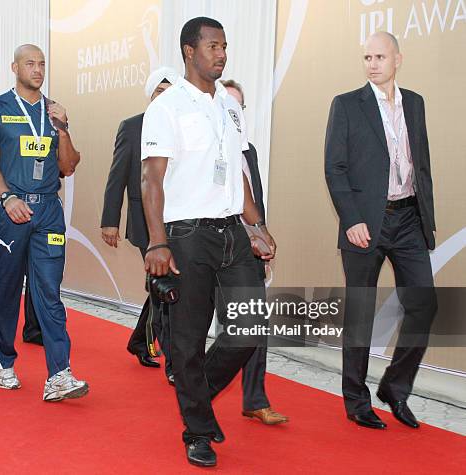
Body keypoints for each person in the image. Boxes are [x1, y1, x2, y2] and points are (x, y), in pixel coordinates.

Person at [141, 17, 275, 467]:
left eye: (225, 46)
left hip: (232, 231)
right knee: (188, 341)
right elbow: (151, 179)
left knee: (251, 325)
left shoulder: (230, 106)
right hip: (186, 235)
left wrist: (256, 225)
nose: (221, 54)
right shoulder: (166, 107)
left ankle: (197, 396)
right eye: (213, 46)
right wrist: (157, 244)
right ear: (188, 51)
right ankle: (197, 428)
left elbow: (238, 170)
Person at [325, 32, 437, 429]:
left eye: (379, 56)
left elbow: (419, 166)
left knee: (425, 304)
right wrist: (352, 218)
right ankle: (356, 401)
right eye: (366, 57)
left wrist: (426, 220)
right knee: (359, 314)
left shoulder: (416, 103)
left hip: (408, 218)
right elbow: (334, 168)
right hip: (365, 223)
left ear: (397, 59)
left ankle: (395, 387)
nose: (372, 63)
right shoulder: (347, 105)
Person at [0, 44, 86, 401]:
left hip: (48, 211)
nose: (37, 69)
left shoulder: (54, 111)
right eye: (30, 63)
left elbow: (67, 167)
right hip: (13, 210)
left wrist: (64, 130)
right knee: (6, 288)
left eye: (42, 63)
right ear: (14, 67)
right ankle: (2, 361)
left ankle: (59, 374)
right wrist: (6, 198)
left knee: (49, 292)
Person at [101, 67, 177, 381]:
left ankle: (139, 341)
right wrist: (110, 221)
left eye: (170, 91)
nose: (164, 96)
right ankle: (175, 364)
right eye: (159, 90)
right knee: (166, 287)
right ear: (150, 94)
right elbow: (117, 174)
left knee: (165, 287)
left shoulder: (181, 126)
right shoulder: (133, 127)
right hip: (145, 222)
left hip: (178, 219)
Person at [222, 79, 288, 425]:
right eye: (227, 106)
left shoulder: (249, 150)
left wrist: (260, 236)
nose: (233, 113)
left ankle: (255, 399)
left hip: (250, 249)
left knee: (253, 324)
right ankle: (197, 393)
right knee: (228, 327)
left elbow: (253, 202)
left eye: (239, 107)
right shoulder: (209, 149)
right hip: (218, 248)